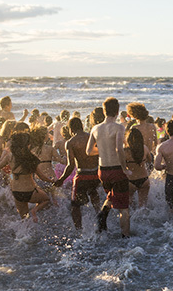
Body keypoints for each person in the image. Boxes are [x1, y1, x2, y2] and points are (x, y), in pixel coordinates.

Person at [86, 97, 130, 236]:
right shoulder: (119, 127)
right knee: (124, 208)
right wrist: (124, 168)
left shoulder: (95, 128)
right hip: (116, 169)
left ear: (104, 111)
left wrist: (104, 149)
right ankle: (126, 237)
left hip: (102, 170)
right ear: (117, 111)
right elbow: (119, 149)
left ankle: (102, 213)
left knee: (111, 196)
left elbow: (88, 151)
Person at [55, 116, 101, 230]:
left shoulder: (70, 142)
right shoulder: (91, 137)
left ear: (71, 129)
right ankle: (101, 224)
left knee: (75, 206)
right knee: (95, 200)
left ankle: (79, 230)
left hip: (82, 176)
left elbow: (71, 165)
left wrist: (61, 179)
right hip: (96, 175)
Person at [0, 130, 52, 222]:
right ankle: (34, 211)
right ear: (28, 145)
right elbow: (42, 177)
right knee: (46, 200)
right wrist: (52, 181)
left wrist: (2, 156)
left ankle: (23, 235)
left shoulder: (10, 156)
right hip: (30, 191)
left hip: (16, 192)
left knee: (24, 219)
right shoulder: (32, 158)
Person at [124, 127, 152, 208]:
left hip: (130, 181)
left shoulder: (125, 152)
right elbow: (150, 161)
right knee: (143, 207)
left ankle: (132, 220)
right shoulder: (145, 148)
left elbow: (121, 166)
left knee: (130, 206)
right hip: (144, 179)